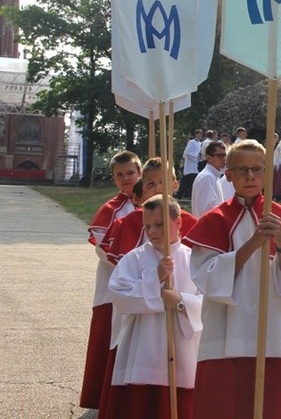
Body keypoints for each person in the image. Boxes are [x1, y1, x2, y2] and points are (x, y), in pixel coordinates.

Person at [184, 139, 281, 419]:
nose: (250, 176)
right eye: (241, 169)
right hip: (224, 332)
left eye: (257, 169)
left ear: (267, 173)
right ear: (228, 174)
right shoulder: (214, 220)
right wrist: (253, 243)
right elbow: (205, 278)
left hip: (273, 331)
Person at [104, 195, 203, 419]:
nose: (152, 231)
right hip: (142, 349)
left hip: (182, 351)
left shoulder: (194, 260)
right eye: (147, 226)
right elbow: (120, 296)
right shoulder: (135, 258)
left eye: (159, 225)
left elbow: (207, 304)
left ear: (178, 223)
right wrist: (155, 277)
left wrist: (180, 301)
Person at [80, 150, 142, 410]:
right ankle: (104, 398)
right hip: (114, 285)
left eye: (130, 173)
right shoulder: (110, 210)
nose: (126, 179)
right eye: (120, 175)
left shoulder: (151, 203)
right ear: (114, 179)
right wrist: (130, 267)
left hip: (147, 285)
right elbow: (102, 248)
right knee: (109, 337)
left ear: (139, 173)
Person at [192, 140, 228, 218]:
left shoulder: (214, 176)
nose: (224, 158)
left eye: (225, 155)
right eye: (220, 155)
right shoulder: (207, 177)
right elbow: (209, 210)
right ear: (209, 158)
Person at [177, 129, 202, 200]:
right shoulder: (191, 142)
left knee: (192, 181)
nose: (200, 135)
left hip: (196, 165)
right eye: (199, 134)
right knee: (187, 180)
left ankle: (189, 195)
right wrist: (197, 154)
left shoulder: (200, 143)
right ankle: (181, 194)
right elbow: (188, 152)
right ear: (196, 134)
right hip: (190, 165)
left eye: (201, 134)